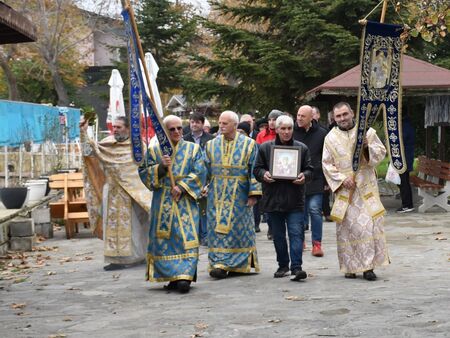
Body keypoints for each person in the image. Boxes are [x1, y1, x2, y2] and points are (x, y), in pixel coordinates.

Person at [138, 115, 207, 293]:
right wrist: (160, 167)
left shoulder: (194, 149)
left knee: (187, 237)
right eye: (172, 129)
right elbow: (144, 172)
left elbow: (200, 171)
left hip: (185, 201)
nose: (176, 132)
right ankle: (171, 276)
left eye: (179, 128)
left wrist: (183, 187)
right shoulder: (154, 151)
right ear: (164, 132)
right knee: (165, 239)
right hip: (163, 201)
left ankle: (185, 277)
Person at [322, 102, 389, 281]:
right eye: (338, 116)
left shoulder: (367, 132)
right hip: (346, 191)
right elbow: (326, 164)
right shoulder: (330, 138)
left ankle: (368, 267)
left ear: (352, 113)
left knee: (367, 227)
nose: (342, 119)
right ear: (333, 118)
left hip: (366, 189)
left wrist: (367, 146)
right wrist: (343, 179)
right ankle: (350, 267)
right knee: (346, 229)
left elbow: (381, 153)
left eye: (345, 114)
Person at [80, 116, 151, 271]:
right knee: (113, 226)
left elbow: (143, 168)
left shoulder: (138, 146)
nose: (115, 129)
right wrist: (84, 133)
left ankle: (138, 256)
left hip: (132, 191)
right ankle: (117, 259)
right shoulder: (107, 143)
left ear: (128, 129)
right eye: (114, 127)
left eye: (119, 127)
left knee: (135, 227)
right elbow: (89, 153)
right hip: (112, 192)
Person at [254, 115, 313, 280]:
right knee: (278, 235)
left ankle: (296, 267)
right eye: (283, 129)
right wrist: (263, 174)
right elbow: (257, 169)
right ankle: (282, 265)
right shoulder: (265, 148)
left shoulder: (302, 148)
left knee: (296, 233)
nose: (286, 132)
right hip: (273, 199)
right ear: (277, 129)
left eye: (289, 128)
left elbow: (310, 169)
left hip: (295, 199)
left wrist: (304, 176)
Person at [205, 110, 262, 279]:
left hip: (240, 194)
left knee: (239, 230)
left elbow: (255, 170)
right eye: (220, 123)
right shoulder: (211, 145)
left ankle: (239, 264)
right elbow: (204, 169)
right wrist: (202, 186)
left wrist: (254, 194)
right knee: (217, 230)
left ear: (235, 125)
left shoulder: (249, 144)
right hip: (216, 194)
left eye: (225, 123)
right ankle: (218, 263)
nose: (221, 126)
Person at [293, 105, 328, 257]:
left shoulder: (322, 133)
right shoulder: (291, 132)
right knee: (299, 213)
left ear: (311, 118)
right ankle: (300, 241)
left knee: (314, 210)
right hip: (296, 179)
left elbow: (327, 158)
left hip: (316, 177)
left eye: (303, 116)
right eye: (298, 115)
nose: (299, 118)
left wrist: (328, 181)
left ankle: (317, 244)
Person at [184, 113, 215, 245]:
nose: (194, 124)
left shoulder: (211, 140)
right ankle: (194, 235)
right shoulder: (184, 139)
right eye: (192, 122)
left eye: (197, 122)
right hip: (190, 177)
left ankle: (206, 235)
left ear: (202, 124)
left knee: (206, 209)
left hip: (207, 177)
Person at [256, 109, 284, 240]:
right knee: (267, 201)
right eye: (270, 119)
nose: (272, 122)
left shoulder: (283, 133)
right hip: (267, 172)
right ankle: (271, 227)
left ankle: (278, 226)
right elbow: (257, 155)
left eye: (274, 119)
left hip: (282, 171)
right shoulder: (261, 135)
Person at [397, 113, 415, 213]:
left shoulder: (405, 127)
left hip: (404, 160)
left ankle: (407, 205)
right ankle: (407, 203)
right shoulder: (407, 125)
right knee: (403, 182)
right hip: (405, 159)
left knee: (404, 183)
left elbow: (400, 139)